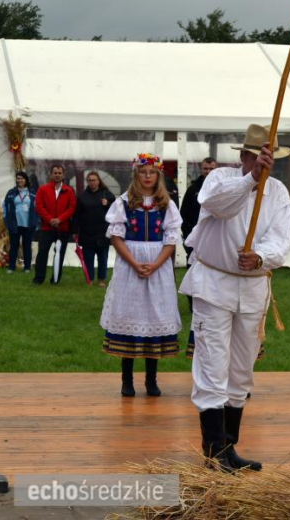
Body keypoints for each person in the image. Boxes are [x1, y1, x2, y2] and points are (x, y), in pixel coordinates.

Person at [179, 124, 290, 472]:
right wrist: (250, 181)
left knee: (242, 368)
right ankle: (212, 450)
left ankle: (230, 447)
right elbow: (218, 206)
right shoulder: (219, 180)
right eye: (256, 157)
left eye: (267, 160)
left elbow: (280, 237)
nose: (263, 164)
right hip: (214, 284)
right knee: (213, 363)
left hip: (253, 286)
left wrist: (260, 256)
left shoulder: (278, 193)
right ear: (243, 155)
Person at [100, 153, 182, 397]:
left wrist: (155, 264)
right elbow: (116, 236)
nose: (148, 177)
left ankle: (151, 379)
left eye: (152, 173)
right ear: (136, 174)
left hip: (158, 267)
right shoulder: (124, 202)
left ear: (158, 176)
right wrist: (135, 263)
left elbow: (171, 239)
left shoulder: (166, 204)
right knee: (130, 314)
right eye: (143, 172)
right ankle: (127, 380)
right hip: (130, 266)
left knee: (153, 319)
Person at [33, 165, 77, 285]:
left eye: (59, 173)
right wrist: (50, 219)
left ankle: (55, 279)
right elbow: (39, 206)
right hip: (46, 228)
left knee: (60, 253)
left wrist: (60, 219)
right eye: (55, 173)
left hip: (63, 228)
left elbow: (72, 207)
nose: (57, 175)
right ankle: (38, 279)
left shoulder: (69, 191)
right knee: (42, 253)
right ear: (51, 174)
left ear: (63, 175)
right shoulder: (43, 189)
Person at [74, 171, 116, 286]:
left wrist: (107, 203)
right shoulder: (82, 197)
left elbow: (117, 209)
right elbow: (77, 214)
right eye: (90, 180)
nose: (92, 182)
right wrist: (74, 230)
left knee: (103, 258)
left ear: (99, 181)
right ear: (87, 182)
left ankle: (101, 280)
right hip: (87, 233)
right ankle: (90, 279)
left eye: (94, 180)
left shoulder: (107, 194)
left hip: (103, 233)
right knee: (88, 259)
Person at [180, 157, 217, 260]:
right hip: (194, 234)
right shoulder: (192, 189)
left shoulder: (221, 188)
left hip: (215, 234)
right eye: (205, 168)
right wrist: (187, 232)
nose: (208, 171)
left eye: (211, 169)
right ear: (201, 169)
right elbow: (184, 213)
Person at [2, 171, 37, 273]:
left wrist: (36, 220)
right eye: (18, 178)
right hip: (14, 224)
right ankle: (11, 267)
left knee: (27, 246)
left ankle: (27, 267)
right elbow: (5, 207)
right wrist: (6, 220)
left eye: (21, 178)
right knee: (14, 246)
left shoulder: (32, 192)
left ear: (26, 180)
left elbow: (38, 207)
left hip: (28, 224)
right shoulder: (11, 192)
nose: (19, 180)